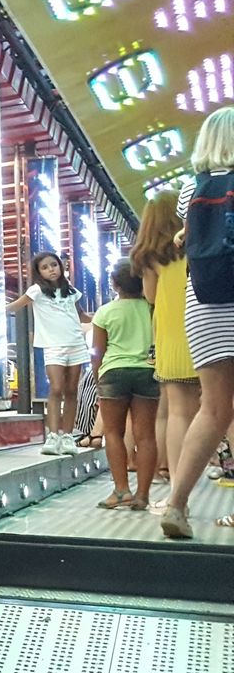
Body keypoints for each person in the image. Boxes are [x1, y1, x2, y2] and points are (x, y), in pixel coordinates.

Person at [164, 106, 234, 538]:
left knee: (213, 408)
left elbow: (192, 239)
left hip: (205, 304)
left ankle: (176, 505)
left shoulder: (191, 188)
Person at [132, 189, 196, 493]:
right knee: (224, 409)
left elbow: (151, 297)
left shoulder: (151, 256)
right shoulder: (197, 242)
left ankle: (178, 495)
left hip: (171, 335)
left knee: (177, 412)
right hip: (209, 329)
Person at [91, 261, 160, 510]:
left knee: (113, 433)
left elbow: (97, 352)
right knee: (146, 435)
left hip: (114, 373)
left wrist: (98, 378)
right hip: (148, 371)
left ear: (114, 284)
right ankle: (142, 495)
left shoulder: (105, 312)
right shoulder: (152, 308)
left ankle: (121, 491)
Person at [7, 252, 89, 455]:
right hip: (53, 346)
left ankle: (67, 437)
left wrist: (104, 316)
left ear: (60, 266)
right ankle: (53, 436)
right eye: (45, 267)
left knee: (72, 391)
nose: (51, 269)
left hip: (76, 344)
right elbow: (16, 305)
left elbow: (81, 316)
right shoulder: (36, 291)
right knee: (56, 388)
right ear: (38, 272)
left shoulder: (71, 291)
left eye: (54, 265)